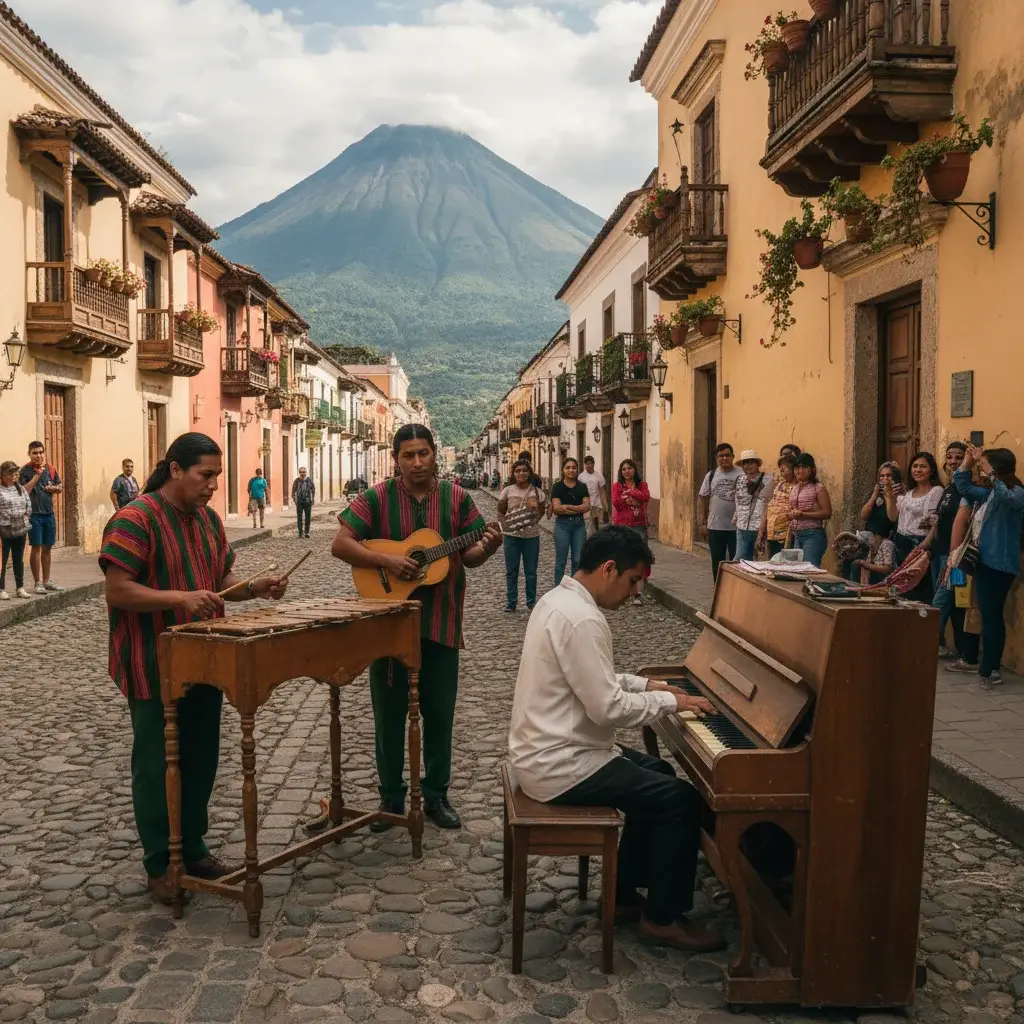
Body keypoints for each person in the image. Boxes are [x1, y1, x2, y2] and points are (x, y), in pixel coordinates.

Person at [509, 526, 724, 952]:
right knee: (679, 800)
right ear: (609, 569)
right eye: (632, 581)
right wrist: (670, 702)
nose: (634, 592)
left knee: (660, 772)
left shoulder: (558, 601)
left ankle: (624, 895)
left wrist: (649, 686)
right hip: (559, 763)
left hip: (553, 745)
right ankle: (662, 919)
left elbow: (596, 679)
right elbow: (608, 709)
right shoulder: (583, 619)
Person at [100, 432, 289, 903]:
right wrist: (179, 598)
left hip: (207, 658)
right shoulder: (135, 518)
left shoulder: (208, 520)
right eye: (206, 475)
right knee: (157, 764)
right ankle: (160, 863)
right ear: (175, 470)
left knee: (202, 758)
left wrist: (255, 588)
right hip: (152, 662)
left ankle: (194, 848)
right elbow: (117, 590)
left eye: (217, 476)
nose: (213, 485)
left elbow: (221, 580)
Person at [332, 424, 502, 830]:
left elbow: (470, 555)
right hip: (387, 627)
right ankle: (391, 799)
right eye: (408, 455)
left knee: (440, 716)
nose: (417, 462)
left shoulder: (457, 498)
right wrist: (387, 561)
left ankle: (436, 795)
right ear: (397, 459)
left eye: (424, 453)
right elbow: (341, 544)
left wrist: (488, 547)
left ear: (434, 455)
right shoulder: (377, 498)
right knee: (388, 716)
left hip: (442, 623)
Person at [951, 445, 1024, 689]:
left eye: (986, 465)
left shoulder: (1016, 491)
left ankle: (990, 670)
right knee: (987, 615)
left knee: (992, 616)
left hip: (999, 563)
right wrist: (967, 462)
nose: (982, 470)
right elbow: (963, 486)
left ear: (997, 467)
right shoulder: (991, 492)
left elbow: (1009, 499)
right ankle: (989, 669)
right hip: (984, 562)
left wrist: (988, 471)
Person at [918, 443, 967, 656]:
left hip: (956, 558)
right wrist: (926, 543)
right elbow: (941, 521)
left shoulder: (968, 489)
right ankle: (950, 649)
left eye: (959, 457)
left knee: (942, 601)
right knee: (950, 602)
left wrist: (953, 557)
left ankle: (928, 648)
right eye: (949, 457)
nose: (953, 462)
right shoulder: (949, 488)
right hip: (940, 553)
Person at [885, 452, 942, 603]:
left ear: (932, 470)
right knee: (901, 590)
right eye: (915, 466)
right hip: (901, 544)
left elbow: (933, 522)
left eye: (923, 466)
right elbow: (893, 517)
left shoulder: (936, 491)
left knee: (919, 591)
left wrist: (924, 546)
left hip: (919, 545)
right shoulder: (908, 493)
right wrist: (890, 496)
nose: (918, 470)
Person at [498, 460, 545, 612]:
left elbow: (541, 511)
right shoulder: (507, 491)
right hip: (511, 537)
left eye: (524, 470)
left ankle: (531, 602)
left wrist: (530, 523)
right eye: (517, 471)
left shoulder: (537, 492)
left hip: (531, 537)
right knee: (511, 571)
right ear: (514, 473)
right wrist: (506, 526)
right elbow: (501, 511)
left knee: (531, 572)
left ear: (529, 473)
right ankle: (511, 602)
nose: (521, 473)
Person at [19, 441, 62, 594]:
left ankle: (46, 581)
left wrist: (54, 488)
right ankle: (37, 583)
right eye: (35, 453)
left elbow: (60, 487)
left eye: (41, 452)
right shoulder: (24, 471)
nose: (39, 456)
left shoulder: (50, 469)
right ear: (29, 454)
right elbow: (23, 491)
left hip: (49, 514)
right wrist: (36, 476)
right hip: (33, 515)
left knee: (47, 548)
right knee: (36, 547)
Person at [698, 443, 742, 580]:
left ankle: (735, 588)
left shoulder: (741, 473)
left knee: (737, 562)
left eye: (727, 455)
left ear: (733, 456)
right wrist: (702, 522)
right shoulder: (711, 475)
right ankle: (718, 587)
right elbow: (702, 497)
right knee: (717, 562)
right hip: (715, 526)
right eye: (721, 456)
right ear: (717, 458)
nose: (724, 458)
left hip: (738, 527)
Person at [611, 459, 651, 605]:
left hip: (639, 526)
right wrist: (631, 500)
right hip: (623, 527)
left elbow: (645, 497)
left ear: (634, 469)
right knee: (625, 559)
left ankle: (638, 593)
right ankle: (627, 590)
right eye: (623, 469)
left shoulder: (642, 485)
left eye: (629, 468)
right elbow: (616, 502)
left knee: (640, 559)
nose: (626, 471)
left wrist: (632, 493)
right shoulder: (617, 486)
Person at [550, 457, 590, 587]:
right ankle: (558, 590)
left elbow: (586, 507)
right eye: (568, 467)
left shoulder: (582, 487)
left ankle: (574, 590)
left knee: (577, 561)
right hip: (562, 525)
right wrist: (578, 508)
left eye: (574, 467)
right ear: (563, 470)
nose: (571, 470)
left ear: (577, 469)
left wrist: (567, 507)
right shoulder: (557, 487)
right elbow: (557, 509)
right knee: (560, 562)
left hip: (579, 526)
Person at [788, 453, 832, 567]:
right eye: (797, 468)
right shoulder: (794, 487)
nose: (800, 471)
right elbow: (792, 509)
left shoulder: (818, 487)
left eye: (804, 467)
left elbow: (827, 513)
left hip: (813, 534)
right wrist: (791, 515)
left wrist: (803, 514)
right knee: (797, 570)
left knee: (809, 570)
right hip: (797, 535)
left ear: (812, 469)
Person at [733, 450, 774, 561]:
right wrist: (736, 516)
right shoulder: (739, 479)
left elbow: (769, 502)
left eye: (751, 462)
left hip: (759, 527)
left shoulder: (768, 479)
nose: (748, 466)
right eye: (745, 463)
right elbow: (738, 500)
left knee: (758, 561)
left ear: (757, 464)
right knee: (741, 560)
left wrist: (763, 528)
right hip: (741, 526)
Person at [0, 461, 32, 600]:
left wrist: (25, 515)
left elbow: (28, 504)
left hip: (20, 528)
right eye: (11, 473)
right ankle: (1, 589)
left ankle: (20, 587)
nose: (14, 476)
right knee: (2, 560)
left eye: (15, 473)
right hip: (4, 529)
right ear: (3, 475)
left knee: (18, 559)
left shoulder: (20, 488)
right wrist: (9, 517)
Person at [762, 455, 796, 557]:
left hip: (788, 534)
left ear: (794, 469)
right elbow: (770, 506)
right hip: (772, 533)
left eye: (785, 470)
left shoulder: (798, 487)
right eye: (781, 470)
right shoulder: (780, 485)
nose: (782, 473)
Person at [578, 456, 608, 537]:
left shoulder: (599, 476)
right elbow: (579, 493)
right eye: (586, 464)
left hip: (597, 505)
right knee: (588, 526)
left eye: (590, 464)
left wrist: (606, 509)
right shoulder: (581, 477)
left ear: (593, 464)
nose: (588, 466)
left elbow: (602, 492)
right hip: (586, 505)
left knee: (599, 527)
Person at [292, 467, 315, 538]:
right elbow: (293, 491)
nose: (302, 474)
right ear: (299, 473)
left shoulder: (309, 480)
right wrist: (295, 500)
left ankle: (307, 532)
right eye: (301, 472)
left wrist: (313, 499)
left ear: (306, 472)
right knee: (299, 518)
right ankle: (300, 533)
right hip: (299, 502)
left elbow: (313, 490)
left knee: (308, 517)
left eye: (304, 472)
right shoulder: (296, 481)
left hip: (308, 502)